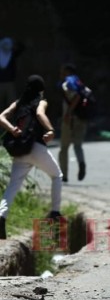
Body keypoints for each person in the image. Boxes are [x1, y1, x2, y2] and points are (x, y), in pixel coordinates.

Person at [0, 75, 63, 239]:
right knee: (57, 176)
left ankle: (1, 217)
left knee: (12, 187)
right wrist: (50, 130)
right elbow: (40, 114)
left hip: (20, 150)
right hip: (35, 147)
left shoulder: (18, 102)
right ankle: (55, 212)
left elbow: (1, 116)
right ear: (41, 90)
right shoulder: (41, 101)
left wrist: (12, 130)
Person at [58, 64, 87, 182]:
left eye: (62, 72)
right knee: (78, 145)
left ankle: (64, 175)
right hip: (82, 117)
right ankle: (81, 162)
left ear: (67, 72)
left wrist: (68, 112)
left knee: (64, 147)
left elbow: (76, 97)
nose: (61, 74)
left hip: (70, 119)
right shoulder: (80, 82)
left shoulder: (68, 82)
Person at [0, 37, 25, 109]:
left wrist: (14, 42)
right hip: (0, 83)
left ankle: (10, 119)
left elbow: (22, 48)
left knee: (11, 103)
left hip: (9, 83)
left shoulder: (12, 54)